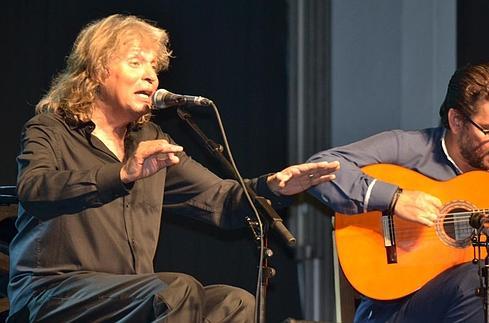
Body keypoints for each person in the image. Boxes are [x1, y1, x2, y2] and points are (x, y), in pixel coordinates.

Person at [7, 14, 339, 322]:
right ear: (97, 71)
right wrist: (121, 174)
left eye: (154, 66)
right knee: (176, 290)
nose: (150, 76)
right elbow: (35, 189)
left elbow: (219, 199)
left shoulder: (149, 140)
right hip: (52, 292)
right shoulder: (51, 128)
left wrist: (273, 186)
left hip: (129, 294)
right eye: (135, 63)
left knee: (234, 304)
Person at [307, 63, 489, 322]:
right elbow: (319, 169)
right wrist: (394, 198)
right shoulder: (410, 150)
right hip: (393, 312)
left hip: (478, 311)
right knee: (485, 276)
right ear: (456, 120)